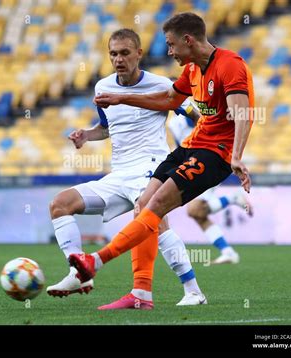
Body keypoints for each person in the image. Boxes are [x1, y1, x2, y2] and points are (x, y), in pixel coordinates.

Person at [69, 12, 254, 287]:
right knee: (144, 204)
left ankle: (95, 261)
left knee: (156, 206)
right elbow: (169, 99)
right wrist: (122, 98)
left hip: (215, 152)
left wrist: (237, 156)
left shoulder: (230, 65)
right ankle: (142, 294)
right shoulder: (192, 70)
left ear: (188, 40)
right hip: (191, 146)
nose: (169, 51)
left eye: (171, 44)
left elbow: (243, 114)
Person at [47, 28, 207, 308]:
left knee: (151, 219)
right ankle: (78, 273)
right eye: (113, 54)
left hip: (151, 168)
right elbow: (107, 128)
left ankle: (192, 290)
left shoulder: (163, 85)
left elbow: (198, 116)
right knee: (60, 204)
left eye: (124, 53)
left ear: (139, 54)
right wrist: (86, 134)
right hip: (119, 174)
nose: (118, 59)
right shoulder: (102, 87)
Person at [168, 112, 253, 264]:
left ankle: (233, 198)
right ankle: (228, 252)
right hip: (191, 165)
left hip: (210, 161)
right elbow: (180, 146)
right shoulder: (174, 123)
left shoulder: (202, 113)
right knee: (198, 214)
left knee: (194, 210)